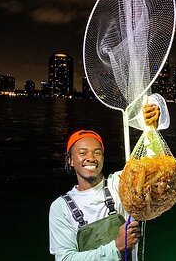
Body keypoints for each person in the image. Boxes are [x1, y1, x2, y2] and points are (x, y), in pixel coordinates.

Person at [49, 104, 161, 261]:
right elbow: (65, 258)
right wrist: (116, 247)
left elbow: (153, 172)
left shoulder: (120, 183)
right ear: (71, 160)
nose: (91, 157)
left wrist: (151, 130)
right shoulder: (60, 208)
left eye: (97, 152)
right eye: (82, 153)